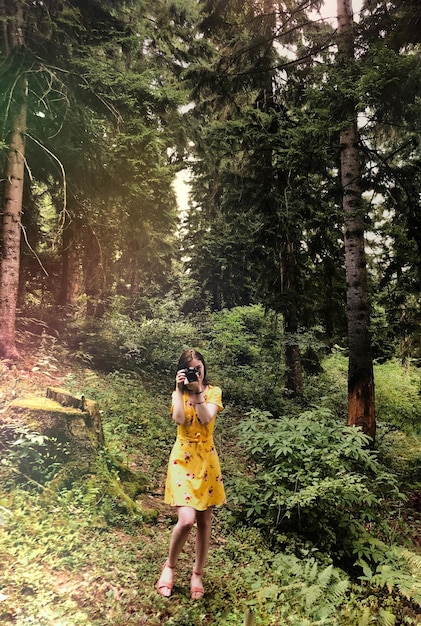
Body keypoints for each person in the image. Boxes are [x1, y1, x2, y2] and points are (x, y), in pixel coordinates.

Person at [156, 348, 226, 600]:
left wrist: (197, 391)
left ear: (204, 368)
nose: (196, 372)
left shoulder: (213, 392)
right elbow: (178, 419)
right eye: (190, 369)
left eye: (199, 368)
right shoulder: (179, 392)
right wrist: (179, 390)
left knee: (205, 520)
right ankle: (170, 567)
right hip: (182, 458)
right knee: (186, 520)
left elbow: (206, 418)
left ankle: (197, 573)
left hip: (206, 459)